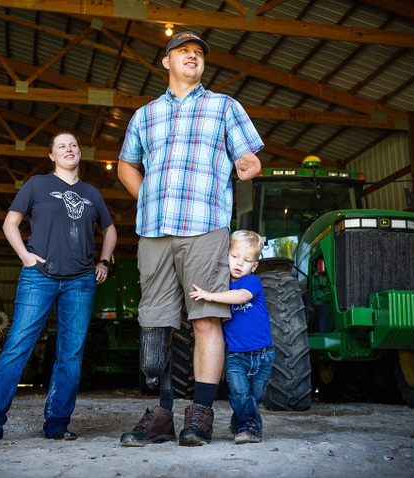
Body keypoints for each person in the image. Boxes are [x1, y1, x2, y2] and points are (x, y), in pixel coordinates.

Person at [117, 31, 264, 447]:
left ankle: (199, 414)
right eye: (184, 51)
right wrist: (147, 198)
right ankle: (162, 412)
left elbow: (246, 158)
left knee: (205, 318)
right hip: (155, 230)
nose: (192, 57)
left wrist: (248, 163)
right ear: (166, 62)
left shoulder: (224, 107)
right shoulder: (145, 115)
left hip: (204, 225)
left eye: (198, 53)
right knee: (157, 324)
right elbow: (127, 166)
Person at [0, 131, 117, 441]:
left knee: (70, 354)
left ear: (79, 152)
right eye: (62, 146)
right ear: (52, 155)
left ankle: (57, 424)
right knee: (18, 346)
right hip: (39, 277)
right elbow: (10, 223)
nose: (69, 149)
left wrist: (104, 262)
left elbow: (110, 230)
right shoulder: (37, 185)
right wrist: (25, 256)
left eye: (73, 145)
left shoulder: (91, 193)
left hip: (81, 281)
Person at [188, 230, 273, 445]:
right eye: (234, 256)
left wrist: (209, 296)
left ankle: (242, 423)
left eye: (246, 260)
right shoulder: (221, 283)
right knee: (239, 394)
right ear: (225, 255)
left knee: (255, 397)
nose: (239, 263)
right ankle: (248, 429)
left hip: (262, 353)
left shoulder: (252, 282)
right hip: (236, 355)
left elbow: (241, 296)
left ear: (254, 266)